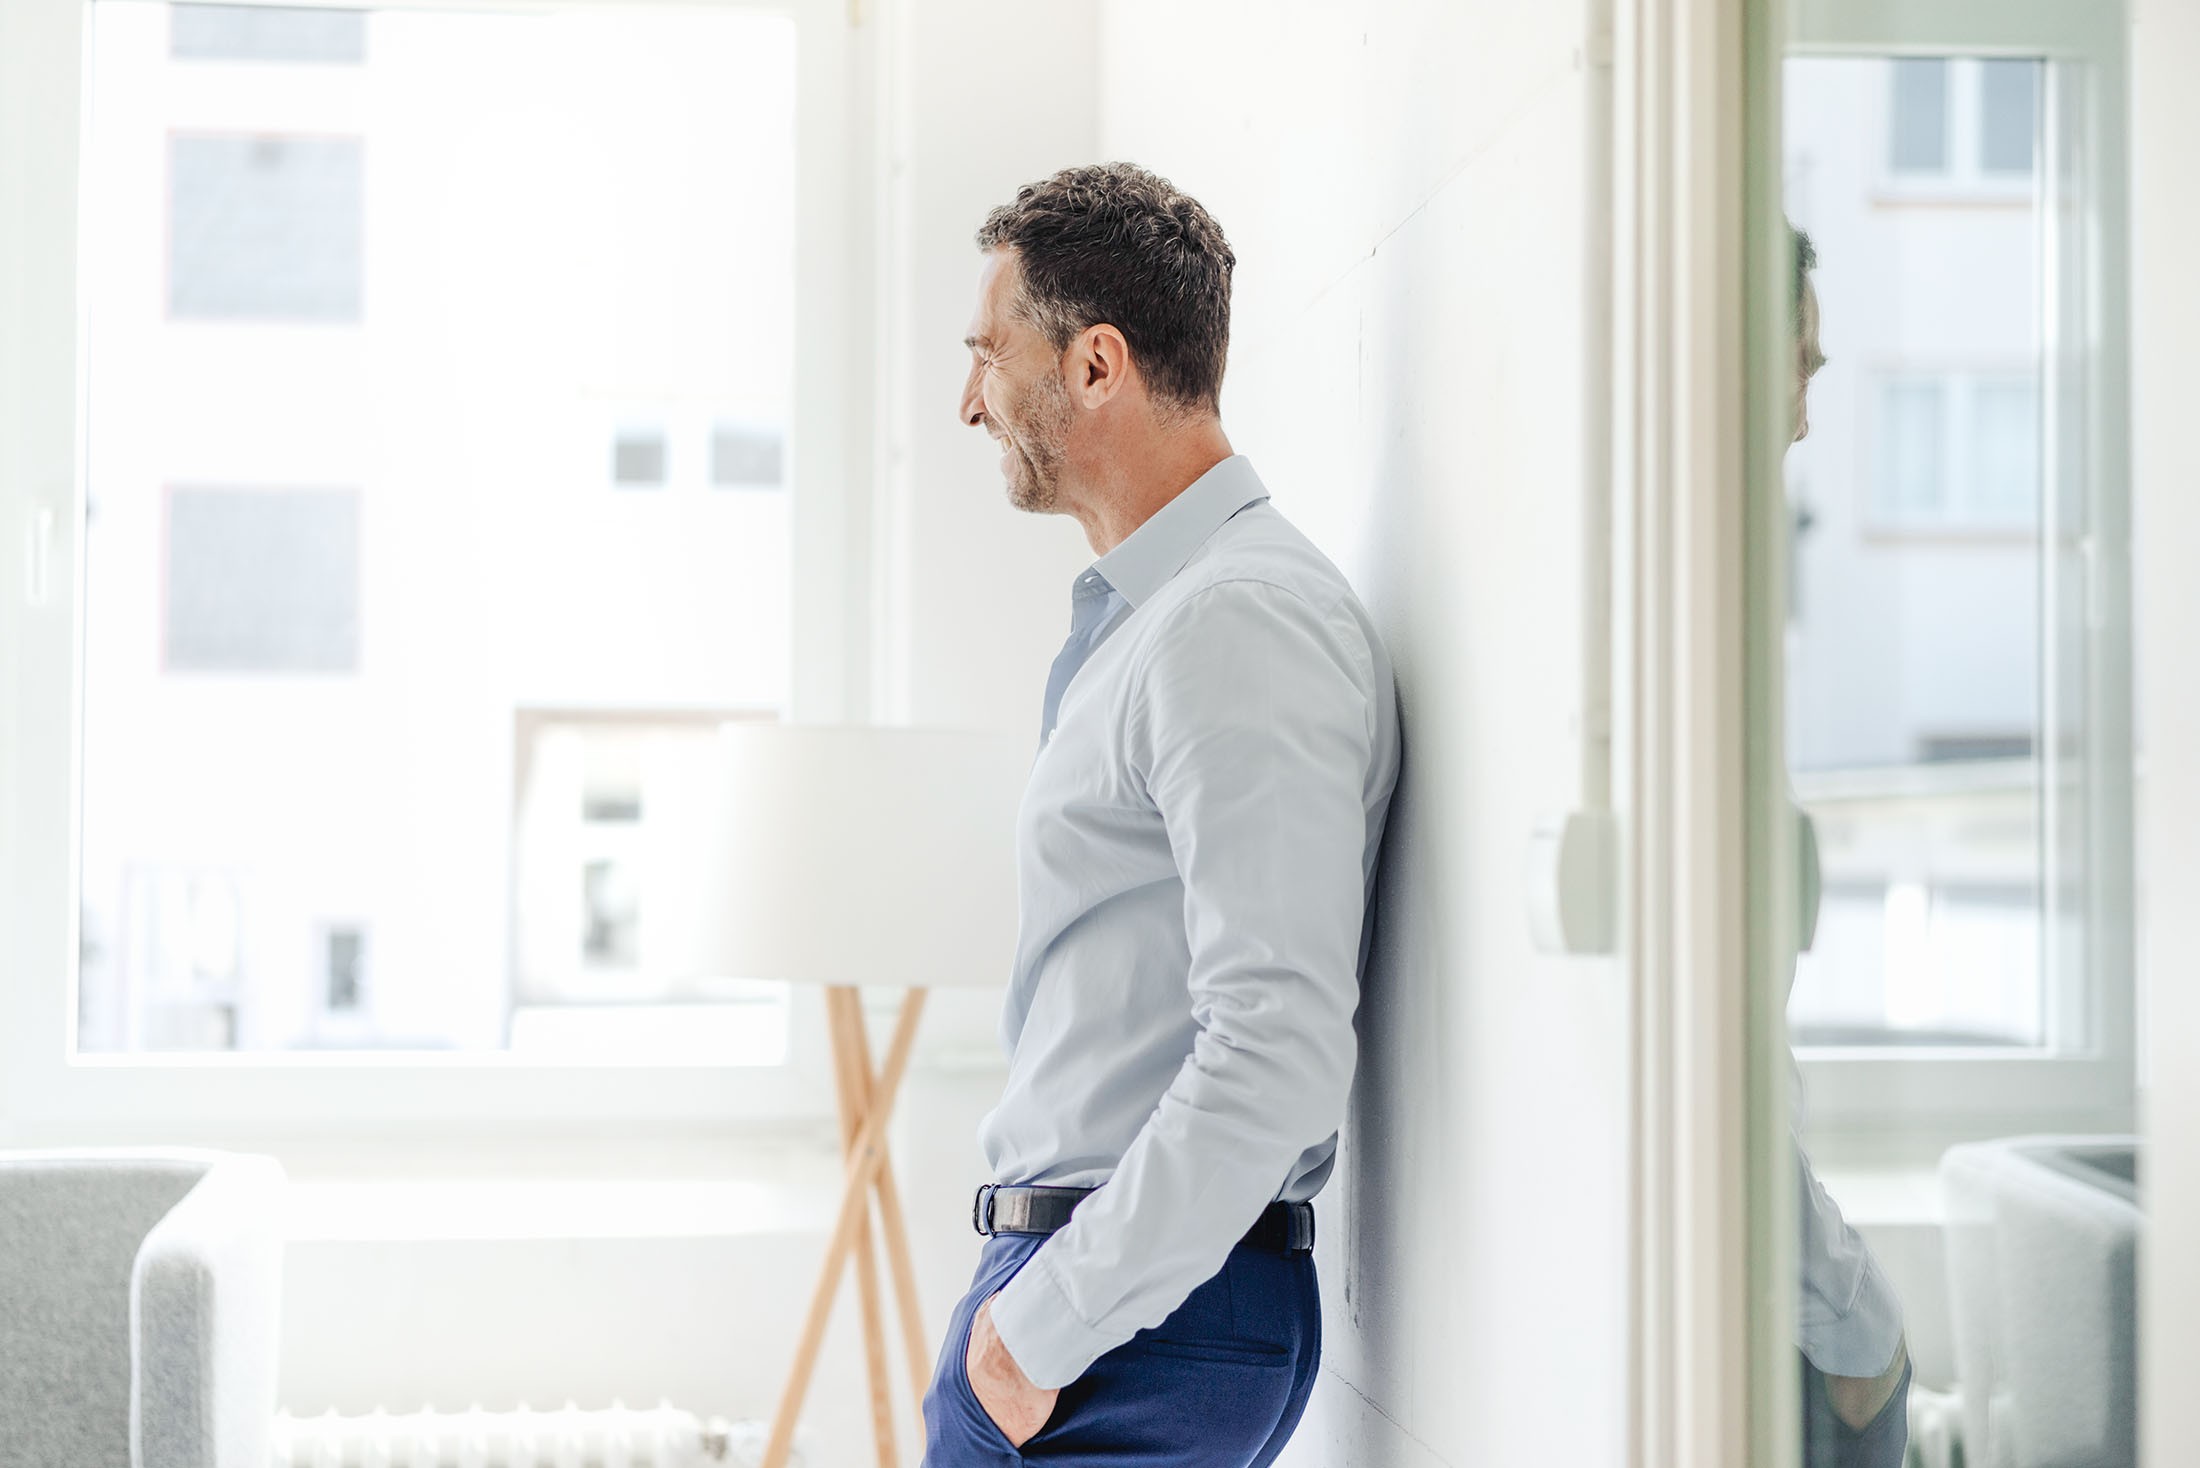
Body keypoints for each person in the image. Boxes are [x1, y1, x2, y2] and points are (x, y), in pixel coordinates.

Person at [918, 162, 1401, 1468]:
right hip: (1113, 1304)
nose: (970, 401)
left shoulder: (1232, 625)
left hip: (1124, 1320)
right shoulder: (1169, 625)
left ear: (1095, 365)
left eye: (987, 353)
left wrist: (1035, 1336)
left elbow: (1278, 1047)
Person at [1788, 222, 1913, 1468]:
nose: (1810, 410)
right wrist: (1861, 1333)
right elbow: (1717, 1073)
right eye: (1803, 364)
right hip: (1788, 1319)